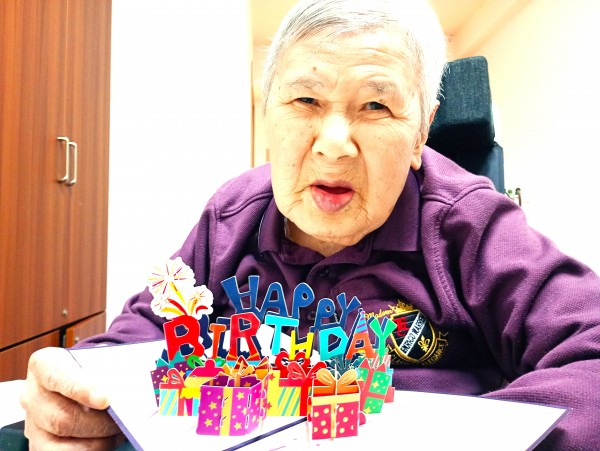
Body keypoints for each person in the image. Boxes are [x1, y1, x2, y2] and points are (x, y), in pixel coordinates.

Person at [20, 0, 600, 449]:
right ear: (266, 109)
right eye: (304, 101)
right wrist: (78, 387)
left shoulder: (468, 223)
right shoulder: (232, 214)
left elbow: (590, 355)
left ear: (421, 132)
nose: (333, 145)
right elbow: (147, 331)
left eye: (376, 106)